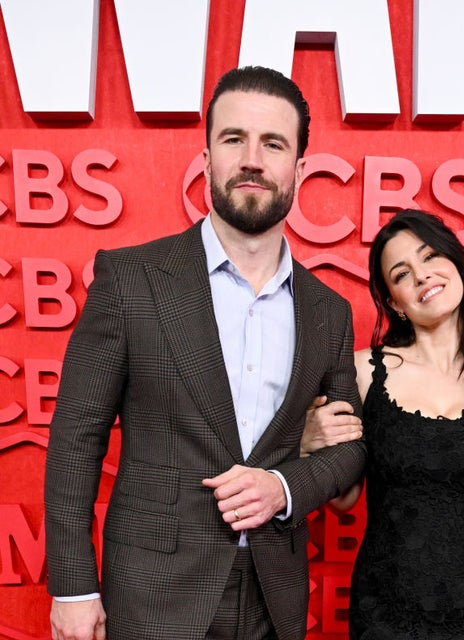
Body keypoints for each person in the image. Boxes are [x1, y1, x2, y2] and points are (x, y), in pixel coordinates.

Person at [44, 65, 366, 640]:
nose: (252, 159)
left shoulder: (329, 311)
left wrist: (285, 486)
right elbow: (76, 438)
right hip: (152, 592)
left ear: (299, 168)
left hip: (276, 593)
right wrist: (73, 588)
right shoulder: (130, 280)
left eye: (273, 143)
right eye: (233, 139)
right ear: (208, 157)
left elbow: (348, 452)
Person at [302, 209, 464, 639]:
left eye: (431, 256)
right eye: (401, 274)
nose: (422, 275)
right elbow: (344, 500)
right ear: (394, 302)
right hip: (386, 611)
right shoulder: (363, 373)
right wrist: (307, 444)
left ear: (457, 264)